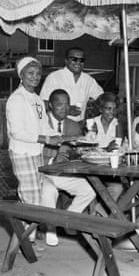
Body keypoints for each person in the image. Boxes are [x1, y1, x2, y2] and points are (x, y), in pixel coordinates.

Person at [5, 56, 65, 244]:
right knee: (31, 199)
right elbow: (17, 133)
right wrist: (46, 139)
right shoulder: (16, 99)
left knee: (38, 195)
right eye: (30, 73)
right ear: (21, 75)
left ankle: (27, 237)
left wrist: (58, 137)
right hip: (22, 153)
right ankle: (25, 240)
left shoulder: (37, 99)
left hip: (36, 153)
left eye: (38, 73)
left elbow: (43, 126)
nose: (35, 77)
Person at [40, 88, 96, 247]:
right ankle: (51, 230)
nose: (64, 108)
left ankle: (68, 219)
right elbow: (35, 149)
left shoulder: (73, 126)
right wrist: (52, 160)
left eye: (67, 105)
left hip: (62, 173)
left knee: (89, 190)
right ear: (50, 105)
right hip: (43, 170)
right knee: (48, 192)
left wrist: (80, 149)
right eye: (60, 105)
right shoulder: (41, 122)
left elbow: (76, 152)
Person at [39, 47, 104, 122]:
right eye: (74, 59)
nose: (78, 62)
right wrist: (67, 109)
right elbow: (42, 104)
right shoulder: (54, 77)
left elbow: (102, 98)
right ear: (66, 61)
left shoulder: (88, 80)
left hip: (78, 126)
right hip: (57, 124)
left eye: (81, 60)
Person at [85, 92, 124, 203]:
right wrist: (106, 149)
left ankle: (101, 211)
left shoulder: (118, 125)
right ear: (101, 109)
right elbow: (87, 149)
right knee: (91, 188)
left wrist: (108, 149)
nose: (112, 112)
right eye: (108, 109)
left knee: (117, 188)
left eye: (114, 109)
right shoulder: (92, 123)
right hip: (92, 167)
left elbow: (117, 147)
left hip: (110, 167)